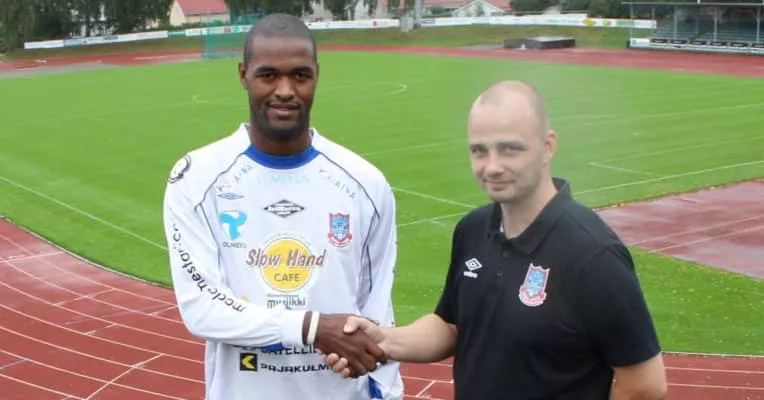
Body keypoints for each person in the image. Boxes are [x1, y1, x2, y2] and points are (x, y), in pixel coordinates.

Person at [322, 80, 668, 399]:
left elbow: (645, 386)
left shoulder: (592, 253)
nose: (492, 167)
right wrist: (384, 341)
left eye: (510, 149)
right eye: (479, 151)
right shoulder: (472, 229)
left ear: (548, 146)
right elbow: (452, 326)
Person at [162, 13, 403, 400]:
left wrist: (386, 392)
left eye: (300, 75)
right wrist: (312, 328)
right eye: (268, 75)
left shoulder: (366, 184)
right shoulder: (196, 179)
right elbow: (202, 307)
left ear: (317, 76)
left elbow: (378, 312)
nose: (285, 90)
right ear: (244, 75)